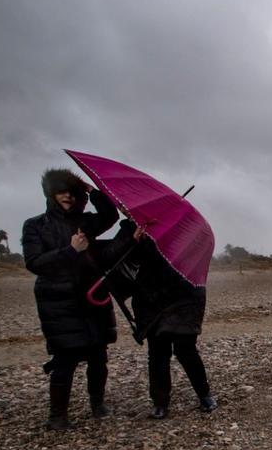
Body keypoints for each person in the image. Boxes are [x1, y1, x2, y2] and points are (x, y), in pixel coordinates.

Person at [22, 169, 120, 430]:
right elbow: (34, 262)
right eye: (61, 191)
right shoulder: (35, 225)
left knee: (98, 355)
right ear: (51, 194)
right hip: (58, 301)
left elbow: (111, 215)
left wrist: (91, 190)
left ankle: (97, 404)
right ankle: (57, 415)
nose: (67, 196)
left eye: (71, 191)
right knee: (65, 359)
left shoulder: (85, 222)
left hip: (91, 297)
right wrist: (70, 251)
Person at [109, 218, 216, 419]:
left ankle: (204, 394)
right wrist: (132, 241)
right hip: (150, 298)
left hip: (184, 294)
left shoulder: (177, 223)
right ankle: (160, 403)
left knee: (186, 349)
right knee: (158, 352)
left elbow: (195, 252)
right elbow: (111, 258)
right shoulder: (128, 229)